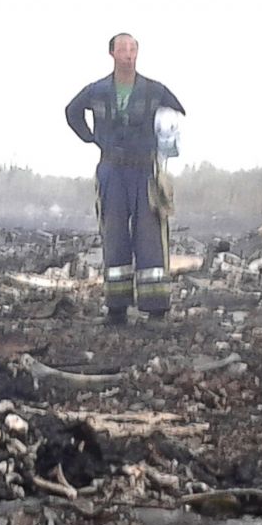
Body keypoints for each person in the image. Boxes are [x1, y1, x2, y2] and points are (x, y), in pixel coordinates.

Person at [66, 32, 185, 324]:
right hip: (111, 170)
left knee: (150, 236)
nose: (129, 54)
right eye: (123, 49)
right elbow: (71, 112)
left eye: (133, 49)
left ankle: (156, 308)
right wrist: (91, 138)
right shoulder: (97, 90)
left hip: (145, 171)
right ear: (112, 54)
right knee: (115, 234)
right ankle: (116, 308)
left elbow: (178, 111)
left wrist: (167, 136)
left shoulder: (155, 90)